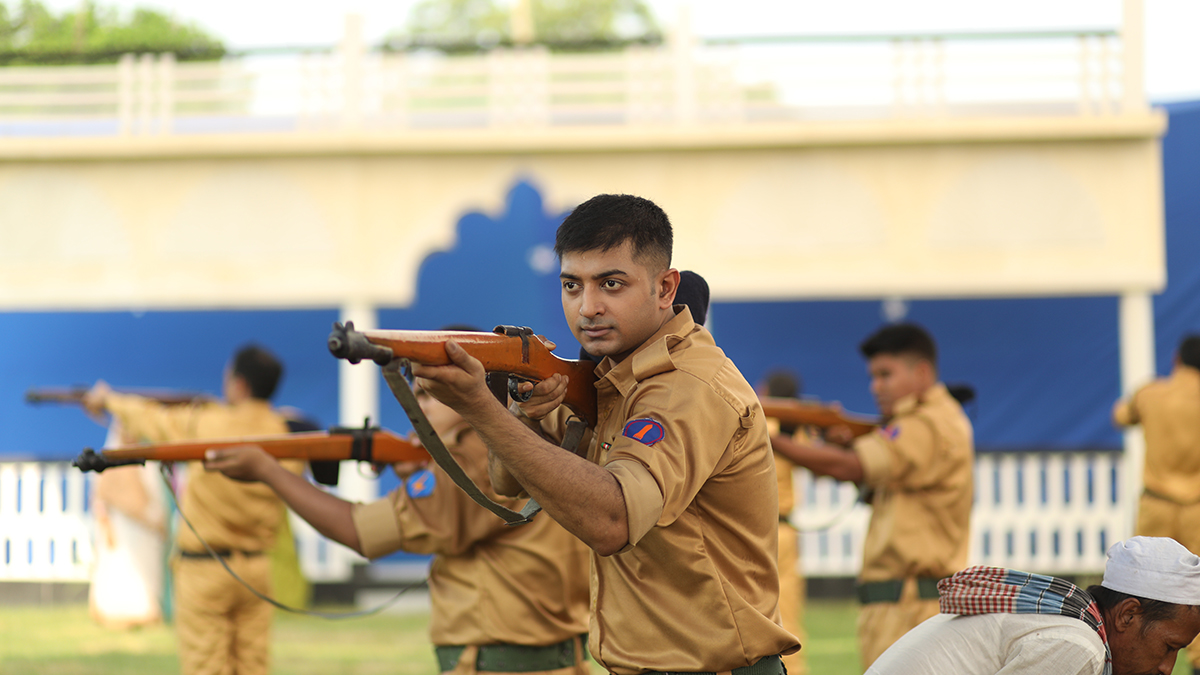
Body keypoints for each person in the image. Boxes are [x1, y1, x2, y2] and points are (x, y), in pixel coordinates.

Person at [412, 194, 800, 675]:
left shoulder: (690, 386)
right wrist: (524, 415)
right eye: (571, 285)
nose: (587, 307)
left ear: (665, 287)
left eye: (611, 284)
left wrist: (479, 408)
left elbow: (611, 522)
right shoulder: (608, 379)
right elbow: (506, 482)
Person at [204, 332, 593, 675]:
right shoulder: (526, 439)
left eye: (429, 393)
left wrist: (268, 471)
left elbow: (359, 531)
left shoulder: (472, 459)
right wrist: (417, 470)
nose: (419, 407)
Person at [82, 345, 300, 675]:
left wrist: (109, 399)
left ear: (239, 384)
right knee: (254, 666)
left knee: (205, 667)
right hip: (256, 566)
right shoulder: (283, 429)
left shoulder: (208, 423)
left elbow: (151, 418)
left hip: (206, 568)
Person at [769, 322, 974, 668]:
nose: (875, 386)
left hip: (909, 606)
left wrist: (769, 439)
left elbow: (848, 467)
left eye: (885, 374)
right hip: (903, 605)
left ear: (921, 372)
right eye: (873, 375)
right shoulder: (925, 421)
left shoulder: (925, 424)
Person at [865, 536, 1200, 675]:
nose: (1167, 668)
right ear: (1127, 615)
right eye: (1169, 647)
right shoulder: (1078, 644)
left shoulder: (1069, 624)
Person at [1113, 333, 1200, 674]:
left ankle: (1131, 659)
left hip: (1157, 504)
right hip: (1197, 507)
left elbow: (1121, 416)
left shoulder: (1150, 393)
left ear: (1176, 360)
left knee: (1139, 591)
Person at [757, 369, 809, 675]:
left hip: (765, 531)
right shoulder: (794, 429)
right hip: (783, 530)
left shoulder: (760, 420)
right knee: (789, 619)